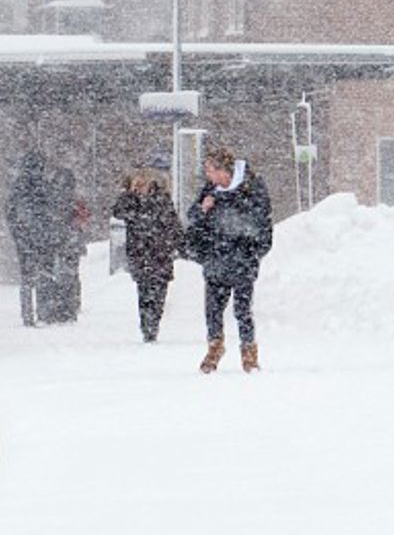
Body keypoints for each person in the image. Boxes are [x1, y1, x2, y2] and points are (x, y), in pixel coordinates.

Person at [183, 144, 273, 373]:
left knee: (242, 310)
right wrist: (202, 209)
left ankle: (249, 353)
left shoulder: (251, 187)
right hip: (216, 258)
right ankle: (215, 347)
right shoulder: (210, 190)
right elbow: (193, 217)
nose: (208, 175)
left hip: (243, 259)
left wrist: (254, 252)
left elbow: (262, 220)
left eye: (210, 170)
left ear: (224, 170)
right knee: (213, 309)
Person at [7, 151, 85, 326]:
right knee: (45, 274)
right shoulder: (43, 186)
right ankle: (45, 312)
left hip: (26, 239)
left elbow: (11, 214)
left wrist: (18, 234)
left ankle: (28, 313)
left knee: (27, 277)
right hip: (44, 238)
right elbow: (54, 209)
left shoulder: (17, 188)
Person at [110, 158, 184, 342]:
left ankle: (154, 322)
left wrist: (176, 244)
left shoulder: (162, 198)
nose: (142, 185)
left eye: (144, 181)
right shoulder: (130, 200)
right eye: (138, 181)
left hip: (160, 252)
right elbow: (118, 212)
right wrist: (129, 194)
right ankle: (147, 327)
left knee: (159, 291)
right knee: (143, 290)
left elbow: (173, 223)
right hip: (139, 252)